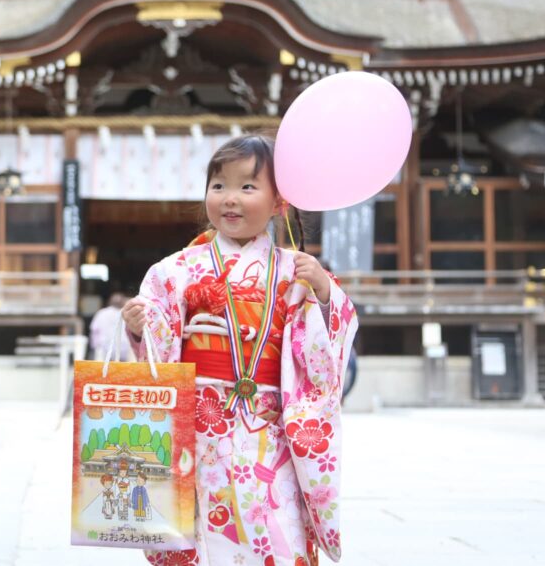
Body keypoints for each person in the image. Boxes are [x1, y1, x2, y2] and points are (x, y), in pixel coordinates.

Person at [121, 135, 358, 566]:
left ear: (278, 201)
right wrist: (141, 328)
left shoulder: (296, 271)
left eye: (247, 187)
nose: (230, 199)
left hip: (272, 430)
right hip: (196, 429)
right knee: (199, 534)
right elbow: (156, 338)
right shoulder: (174, 269)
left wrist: (324, 293)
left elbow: (328, 349)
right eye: (219, 186)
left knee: (276, 530)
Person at [90, 292, 132, 361]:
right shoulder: (128, 314)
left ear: (109, 301)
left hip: (104, 349)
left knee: (101, 369)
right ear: (124, 302)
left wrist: (95, 347)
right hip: (124, 350)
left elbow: (94, 331)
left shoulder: (101, 313)